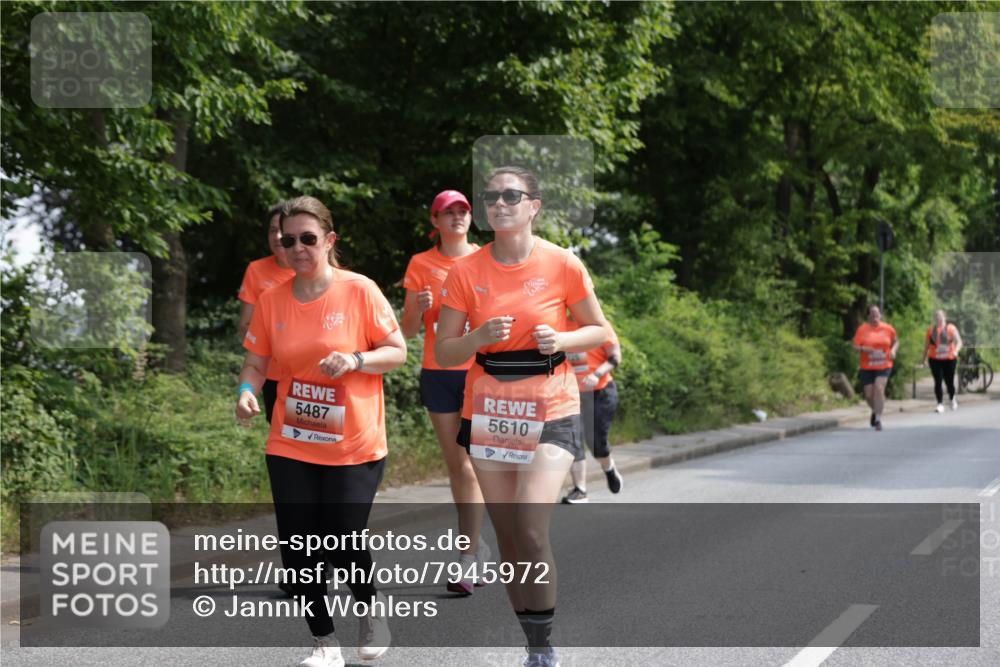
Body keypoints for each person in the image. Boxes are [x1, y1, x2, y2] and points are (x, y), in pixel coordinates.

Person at [435, 166, 609, 667]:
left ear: (535, 205)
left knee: (531, 526)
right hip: (490, 407)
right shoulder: (465, 272)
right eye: (491, 196)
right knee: (509, 536)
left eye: (512, 195)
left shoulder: (562, 263)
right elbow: (446, 352)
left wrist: (565, 339)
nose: (499, 203)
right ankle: (533, 644)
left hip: (551, 404)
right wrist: (476, 338)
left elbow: (598, 330)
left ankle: (547, 642)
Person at [236, 196, 407, 667]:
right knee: (297, 544)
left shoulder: (360, 290)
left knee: (341, 535)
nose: (296, 247)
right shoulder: (272, 300)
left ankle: (370, 610)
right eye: (287, 240)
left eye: (307, 239)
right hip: (291, 438)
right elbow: (256, 362)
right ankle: (324, 643)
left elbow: (397, 351)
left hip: (354, 442)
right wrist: (247, 391)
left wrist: (356, 360)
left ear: (329, 241)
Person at [400, 190, 490, 595]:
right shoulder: (421, 264)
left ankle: (468, 557)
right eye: (447, 212)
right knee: (459, 466)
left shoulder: (485, 260)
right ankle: (474, 546)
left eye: (463, 211)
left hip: (481, 373)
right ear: (434, 221)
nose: (456, 217)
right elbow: (407, 332)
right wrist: (419, 307)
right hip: (438, 372)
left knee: (477, 466)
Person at [237, 203, 296, 424]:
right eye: (272, 230)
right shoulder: (256, 269)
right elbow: (245, 326)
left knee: (316, 439)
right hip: (271, 374)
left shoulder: (315, 273)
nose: (278, 236)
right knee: (281, 433)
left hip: (310, 373)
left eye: (283, 229)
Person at [561, 317, 623, 504]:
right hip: (571, 393)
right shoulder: (562, 324)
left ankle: (609, 468)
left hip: (600, 391)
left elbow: (615, 357)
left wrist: (597, 374)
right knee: (574, 439)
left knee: (595, 441)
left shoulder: (600, 325)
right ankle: (580, 489)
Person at [852, 304, 899, 432]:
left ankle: (878, 419)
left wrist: (893, 350)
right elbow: (854, 347)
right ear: (868, 316)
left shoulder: (888, 328)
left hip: (884, 363)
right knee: (868, 395)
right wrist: (863, 349)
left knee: (879, 388)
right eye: (872, 315)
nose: (875, 317)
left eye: (877, 314)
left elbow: (896, 341)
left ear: (881, 315)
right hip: (867, 366)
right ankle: (875, 410)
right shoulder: (862, 329)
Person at [922, 309, 963, 412]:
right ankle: (940, 403)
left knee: (949, 381)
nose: (938, 318)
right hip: (935, 359)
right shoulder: (931, 330)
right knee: (938, 381)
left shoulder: (951, 328)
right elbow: (926, 346)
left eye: (940, 316)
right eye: (936, 316)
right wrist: (923, 360)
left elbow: (959, 342)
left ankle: (952, 398)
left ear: (945, 317)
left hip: (949, 358)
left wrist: (956, 351)